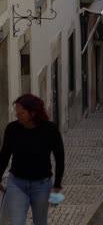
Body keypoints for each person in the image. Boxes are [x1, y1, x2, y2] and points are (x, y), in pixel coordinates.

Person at [0, 94, 65, 225]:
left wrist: (57, 185)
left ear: (33, 113)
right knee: (16, 222)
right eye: (16, 112)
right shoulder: (12, 129)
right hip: (17, 184)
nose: (17, 115)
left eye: (21, 113)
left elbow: (60, 158)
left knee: (40, 222)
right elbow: (4, 156)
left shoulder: (50, 129)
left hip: (42, 185)